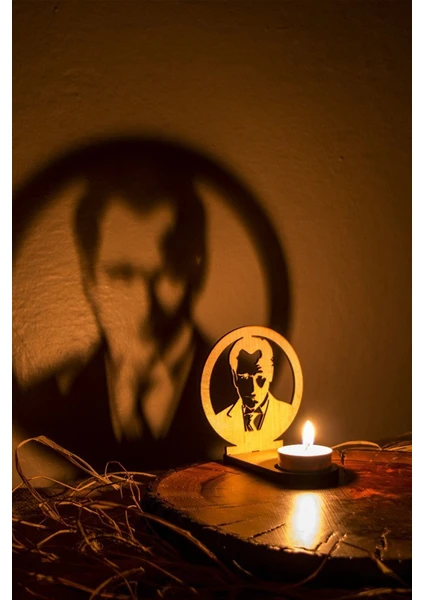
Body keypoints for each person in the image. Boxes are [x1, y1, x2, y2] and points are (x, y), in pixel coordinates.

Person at [13, 153, 223, 474]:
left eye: (166, 274)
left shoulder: (238, 390)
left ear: (198, 268)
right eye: (121, 275)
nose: (145, 303)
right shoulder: (47, 400)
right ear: (89, 278)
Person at [215, 335, 283, 440]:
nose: (252, 389)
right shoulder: (220, 419)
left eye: (260, 378)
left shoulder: (284, 415)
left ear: (270, 375)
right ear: (235, 378)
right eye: (245, 378)